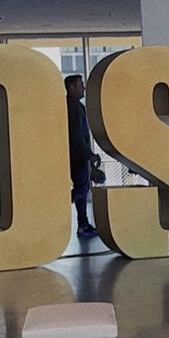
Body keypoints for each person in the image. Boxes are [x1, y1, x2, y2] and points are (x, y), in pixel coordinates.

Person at [64, 74, 99, 238]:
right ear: (71, 87)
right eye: (80, 85)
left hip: (72, 155)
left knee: (82, 189)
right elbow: (77, 135)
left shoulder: (69, 105)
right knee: (83, 188)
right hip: (78, 156)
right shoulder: (75, 107)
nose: (83, 87)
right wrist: (89, 154)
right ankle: (60, 206)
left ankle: (83, 224)